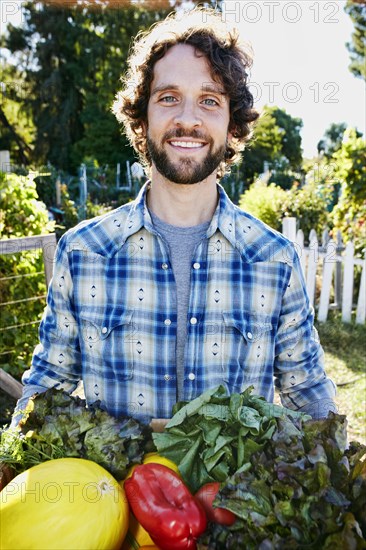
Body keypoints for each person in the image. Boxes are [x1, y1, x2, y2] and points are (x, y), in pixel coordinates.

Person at [12, 7, 336, 425]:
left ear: (232, 124)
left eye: (209, 100)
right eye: (168, 98)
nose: (187, 119)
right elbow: (46, 389)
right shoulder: (82, 252)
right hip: (118, 492)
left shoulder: (275, 260)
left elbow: (309, 395)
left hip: (232, 492)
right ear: (142, 120)